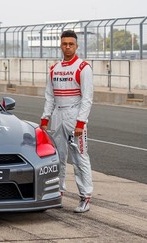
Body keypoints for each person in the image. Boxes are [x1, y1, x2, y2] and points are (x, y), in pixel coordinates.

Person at [40, 30, 93, 213]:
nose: (68, 47)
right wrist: (45, 118)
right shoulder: (54, 69)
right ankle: (58, 193)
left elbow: (87, 98)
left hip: (74, 115)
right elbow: (49, 96)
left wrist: (81, 123)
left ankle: (85, 196)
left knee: (80, 158)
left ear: (76, 46)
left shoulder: (83, 68)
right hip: (57, 115)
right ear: (60, 45)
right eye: (64, 44)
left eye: (71, 44)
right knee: (58, 157)